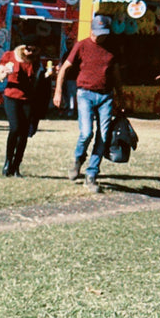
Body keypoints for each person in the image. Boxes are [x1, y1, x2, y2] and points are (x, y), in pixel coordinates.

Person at [52, 16, 124, 194]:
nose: (102, 37)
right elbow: (64, 68)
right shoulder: (81, 45)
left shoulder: (111, 48)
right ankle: (78, 159)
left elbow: (115, 75)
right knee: (86, 133)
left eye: (105, 34)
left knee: (104, 135)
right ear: (92, 30)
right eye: (99, 34)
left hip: (106, 96)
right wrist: (58, 92)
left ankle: (91, 175)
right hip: (85, 93)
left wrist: (121, 97)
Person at [0, 43, 38, 176]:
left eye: (34, 50)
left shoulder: (35, 60)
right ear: (22, 47)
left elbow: (38, 79)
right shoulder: (9, 56)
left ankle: (16, 166)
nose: (30, 52)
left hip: (28, 99)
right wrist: (4, 74)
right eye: (28, 49)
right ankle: (8, 161)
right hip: (11, 97)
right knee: (15, 128)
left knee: (24, 133)